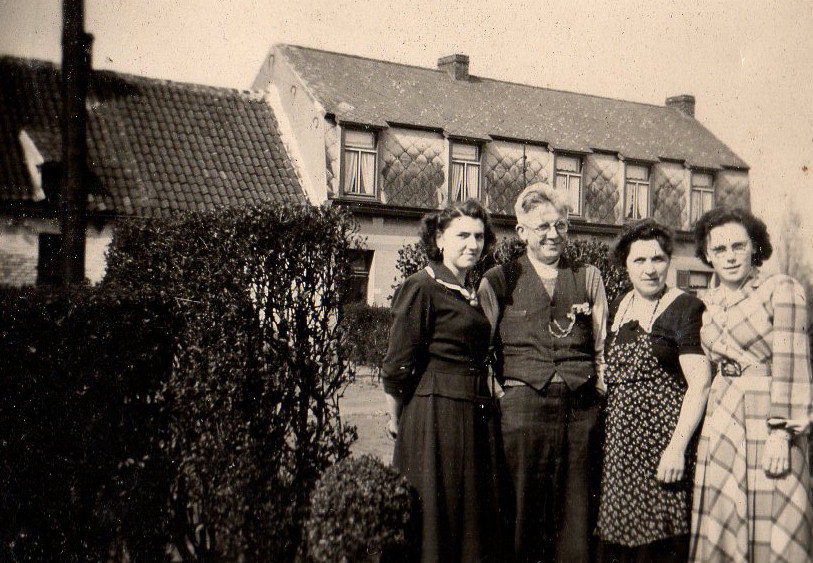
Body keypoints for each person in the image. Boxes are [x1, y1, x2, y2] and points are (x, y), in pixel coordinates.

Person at [478, 182, 608, 563]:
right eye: (542, 227)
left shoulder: (588, 276)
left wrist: (598, 388)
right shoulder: (498, 280)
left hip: (580, 409)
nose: (553, 234)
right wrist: (501, 394)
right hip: (522, 409)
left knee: (577, 510)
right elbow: (480, 350)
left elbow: (601, 345)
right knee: (522, 511)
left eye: (560, 225)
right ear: (522, 232)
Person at [382, 198, 506, 563]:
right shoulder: (422, 286)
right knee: (438, 514)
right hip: (435, 414)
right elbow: (397, 365)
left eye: (479, 236)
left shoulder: (469, 290)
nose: (472, 244)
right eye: (462, 235)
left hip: (473, 411)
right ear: (440, 239)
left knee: (468, 516)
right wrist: (396, 418)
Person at [690, 206, 813, 563]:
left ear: (754, 247)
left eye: (738, 246)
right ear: (707, 255)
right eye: (719, 249)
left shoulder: (781, 289)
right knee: (725, 518)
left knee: (776, 517)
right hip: (722, 418)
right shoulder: (708, 301)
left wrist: (781, 432)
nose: (729, 257)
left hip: (769, 417)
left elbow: (792, 361)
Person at [595, 219, 712, 563]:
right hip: (621, 451)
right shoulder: (619, 307)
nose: (650, 269)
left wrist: (676, 449)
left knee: (659, 543)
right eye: (640, 260)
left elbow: (700, 384)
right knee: (620, 542)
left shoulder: (685, 308)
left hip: (663, 447)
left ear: (669, 260)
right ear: (625, 264)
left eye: (658, 259)